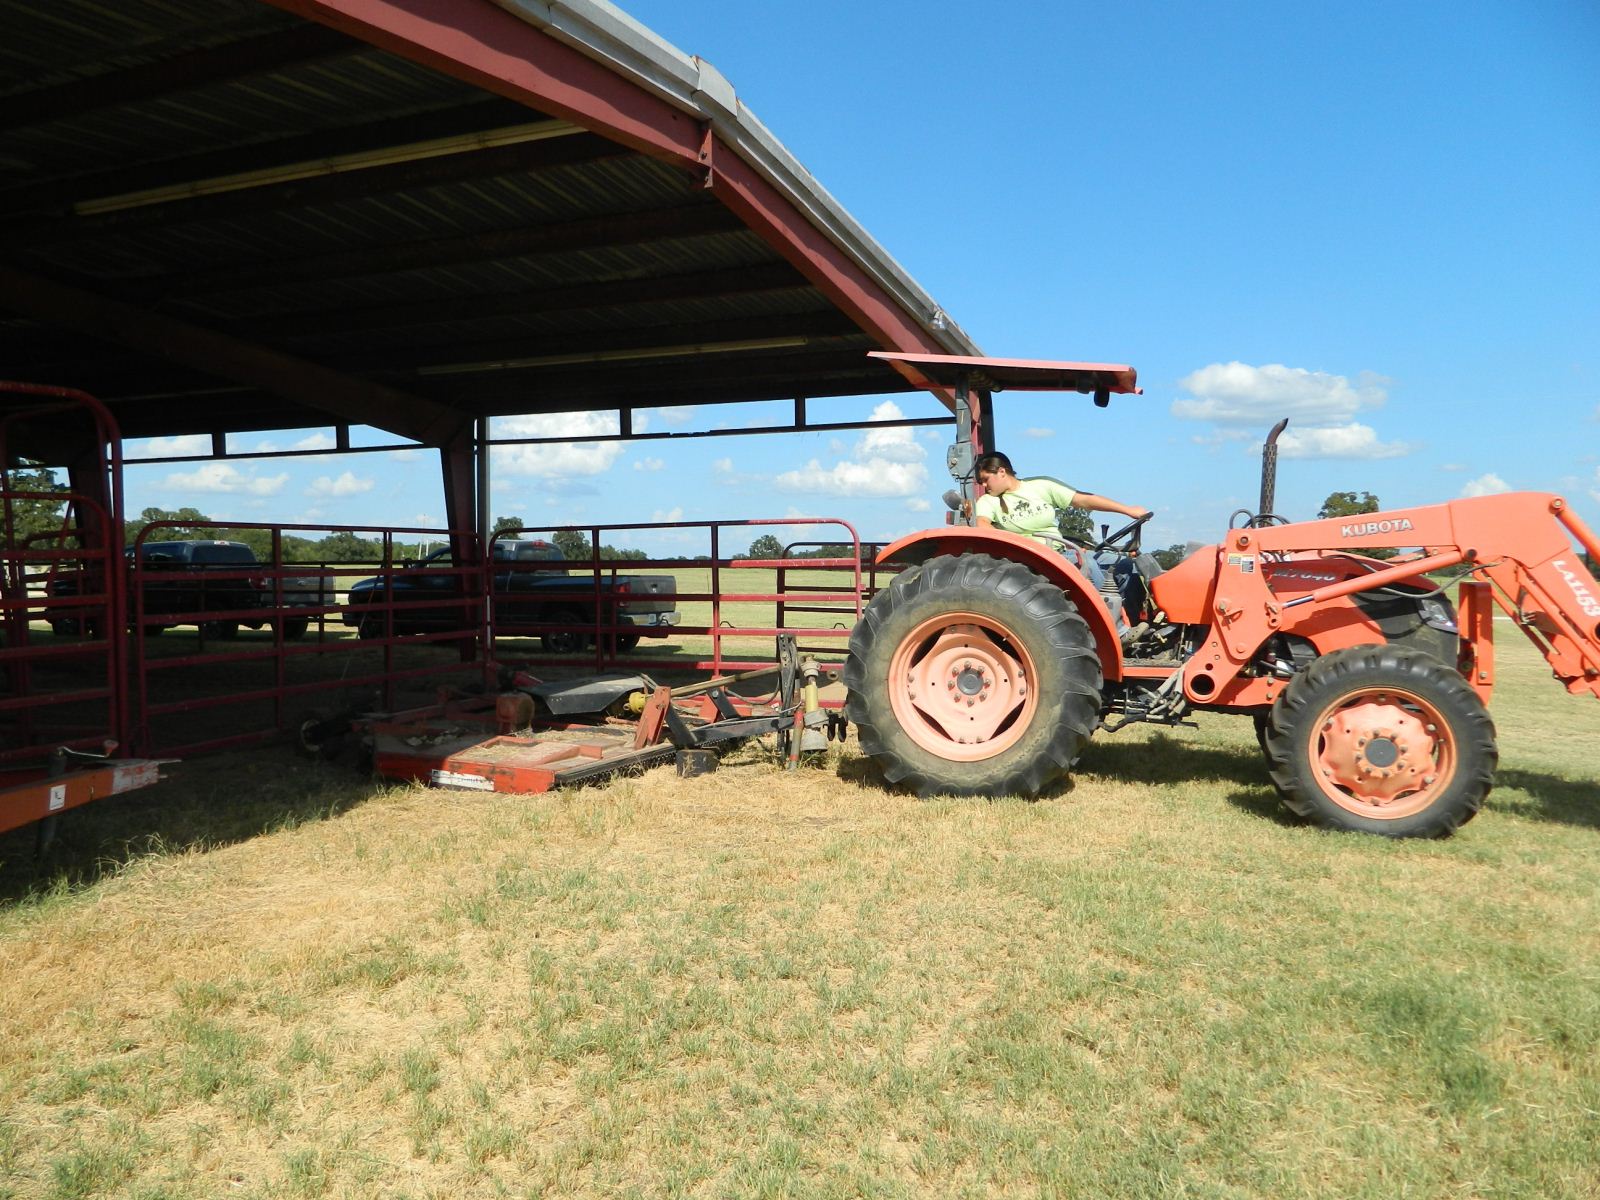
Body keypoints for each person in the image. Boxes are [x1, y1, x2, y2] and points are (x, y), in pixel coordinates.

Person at [972, 451, 1150, 634]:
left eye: (986, 479)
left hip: (1062, 550)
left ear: (1002, 472)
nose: (984, 486)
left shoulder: (1040, 486)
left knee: (1127, 565)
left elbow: (1084, 500)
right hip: (1037, 558)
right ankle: (1114, 631)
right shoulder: (989, 501)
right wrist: (1022, 544)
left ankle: (1136, 624)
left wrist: (1128, 510)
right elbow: (982, 525)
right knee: (1087, 564)